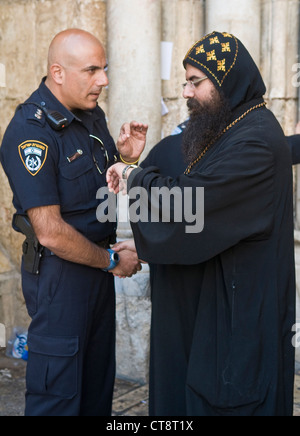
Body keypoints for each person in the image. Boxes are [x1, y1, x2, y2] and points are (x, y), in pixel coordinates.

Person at [107, 31, 296, 416]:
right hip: (217, 303)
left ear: (227, 81)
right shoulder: (231, 128)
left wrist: (133, 176)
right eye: (185, 81)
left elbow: (194, 203)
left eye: (196, 81)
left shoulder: (254, 140)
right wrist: (145, 245)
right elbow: (210, 218)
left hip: (239, 316)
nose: (186, 92)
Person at [0, 29, 147, 416]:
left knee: (97, 389)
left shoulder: (89, 114)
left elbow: (90, 190)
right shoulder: (31, 132)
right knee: (59, 397)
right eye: (92, 70)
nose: (104, 80)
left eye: (105, 69)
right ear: (58, 72)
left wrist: (124, 159)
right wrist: (113, 262)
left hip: (95, 272)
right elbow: (50, 231)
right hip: (60, 277)